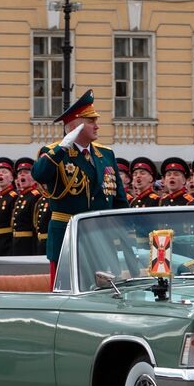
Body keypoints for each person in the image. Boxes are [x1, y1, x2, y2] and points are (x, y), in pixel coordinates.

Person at [31, 88, 128, 274]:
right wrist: (61, 148)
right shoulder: (54, 152)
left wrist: (123, 235)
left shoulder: (105, 154)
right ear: (75, 126)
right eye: (91, 121)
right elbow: (40, 174)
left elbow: (119, 200)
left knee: (105, 291)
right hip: (69, 236)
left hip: (102, 237)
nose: (97, 126)